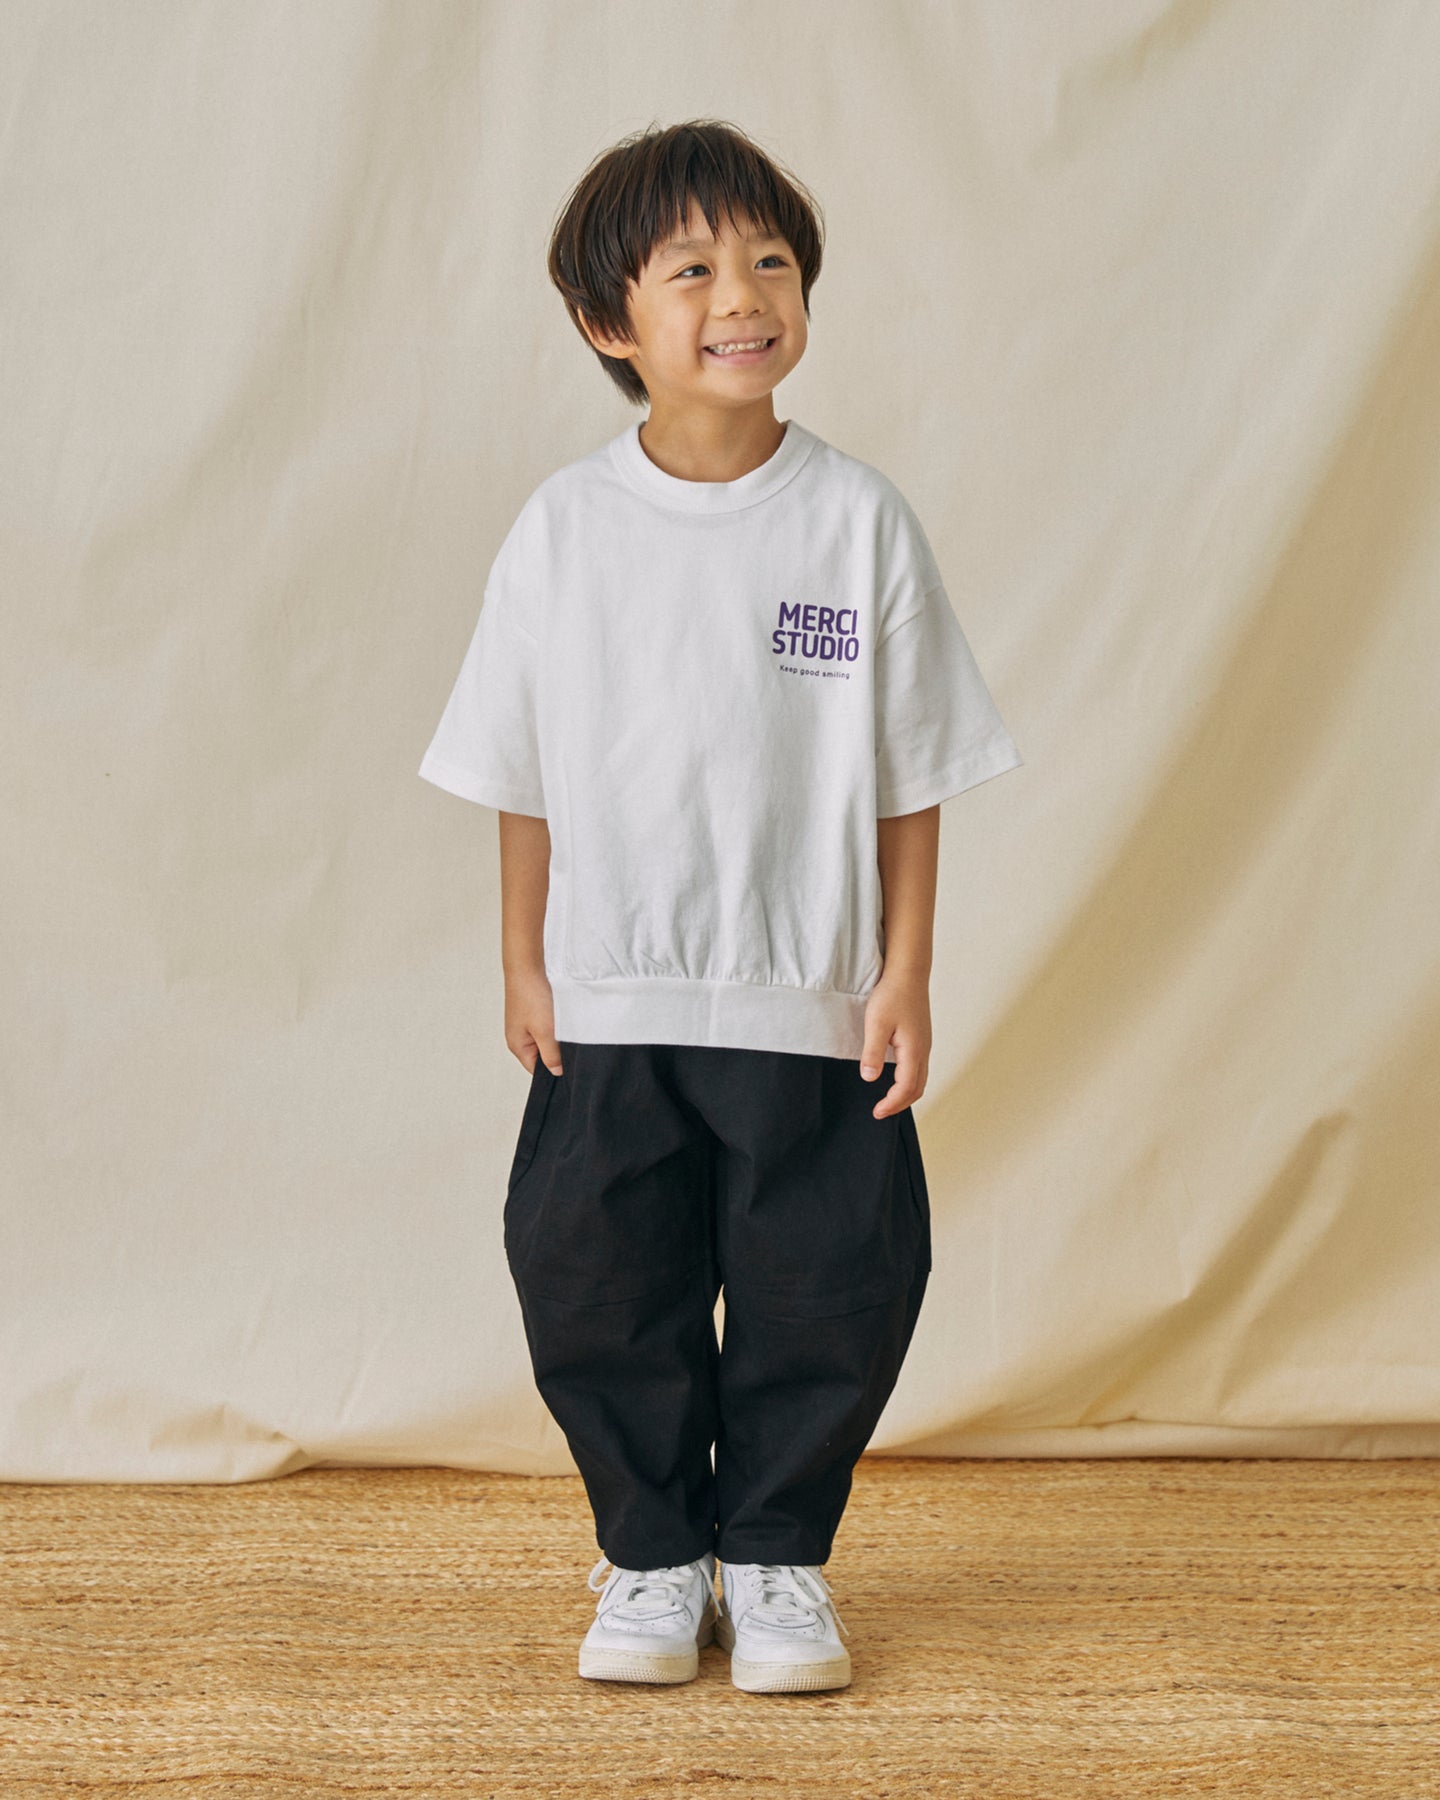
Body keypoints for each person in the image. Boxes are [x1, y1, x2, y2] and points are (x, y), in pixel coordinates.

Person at [418, 118, 1023, 1695]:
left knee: (836, 1277)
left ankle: (772, 1556)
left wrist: (905, 970)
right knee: (594, 1274)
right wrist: (523, 961)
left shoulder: (856, 522)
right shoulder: (565, 531)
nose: (740, 296)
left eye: (768, 262)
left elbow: (911, 772)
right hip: (611, 990)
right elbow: (522, 767)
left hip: (807, 994)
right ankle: (649, 1554)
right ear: (607, 320)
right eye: (690, 269)